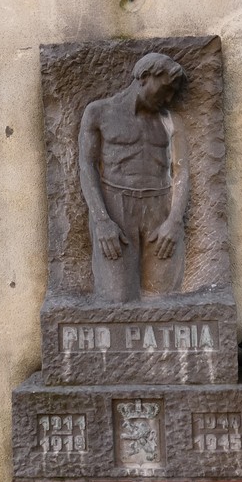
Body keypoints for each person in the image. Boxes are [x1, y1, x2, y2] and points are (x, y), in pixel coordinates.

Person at [78, 53, 190, 302]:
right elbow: (86, 166)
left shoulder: (172, 121)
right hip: (115, 209)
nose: (169, 98)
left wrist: (174, 221)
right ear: (146, 76)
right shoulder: (98, 113)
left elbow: (181, 171)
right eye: (166, 89)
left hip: (160, 211)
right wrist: (102, 221)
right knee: (116, 298)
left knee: (165, 299)